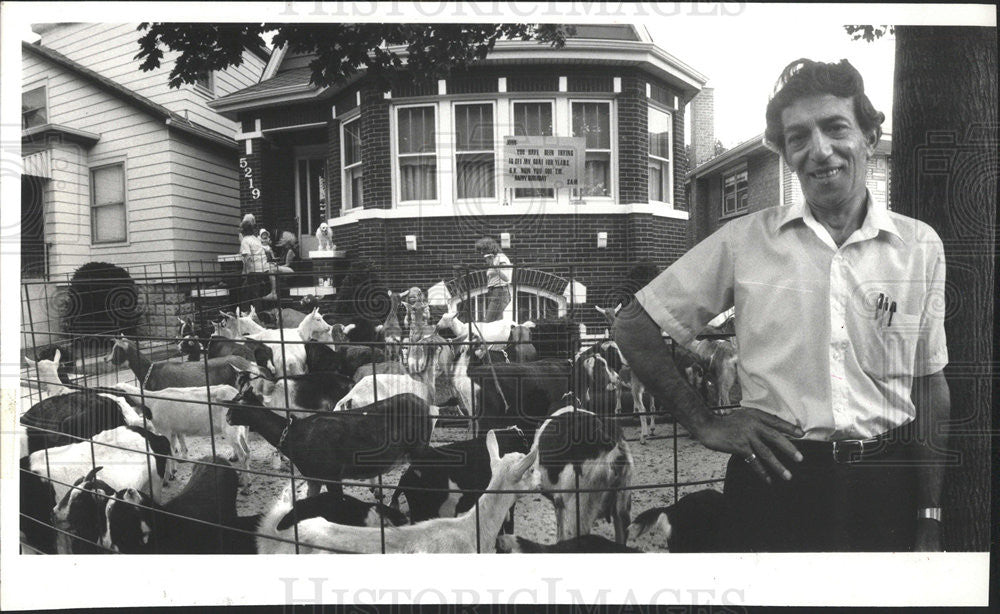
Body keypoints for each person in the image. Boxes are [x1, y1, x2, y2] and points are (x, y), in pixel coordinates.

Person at [613, 58, 950, 552]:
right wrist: (705, 422)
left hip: (886, 488)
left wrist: (930, 515)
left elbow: (930, 383)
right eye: (798, 137)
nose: (819, 150)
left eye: (836, 127)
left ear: (869, 137)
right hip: (775, 484)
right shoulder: (744, 241)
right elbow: (633, 325)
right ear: (786, 152)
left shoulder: (920, 247)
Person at [239, 215, 277, 302]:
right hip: (263, 270)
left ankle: (250, 311)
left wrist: (246, 272)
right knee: (255, 292)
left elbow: (247, 258)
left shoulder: (245, 240)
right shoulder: (256, 239)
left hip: (254, 271)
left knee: (246, 292)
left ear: (243, 231)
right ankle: (255, 310)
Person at [475, 237, 512, 322]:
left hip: (499, 292)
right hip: (495, 293)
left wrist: (494, 267)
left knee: (489, 322)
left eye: (483, 250)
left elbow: (506, 277)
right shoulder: (495, 259)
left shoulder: (501, 258)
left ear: (490, 248)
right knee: (496, 324)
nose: (481, 253)